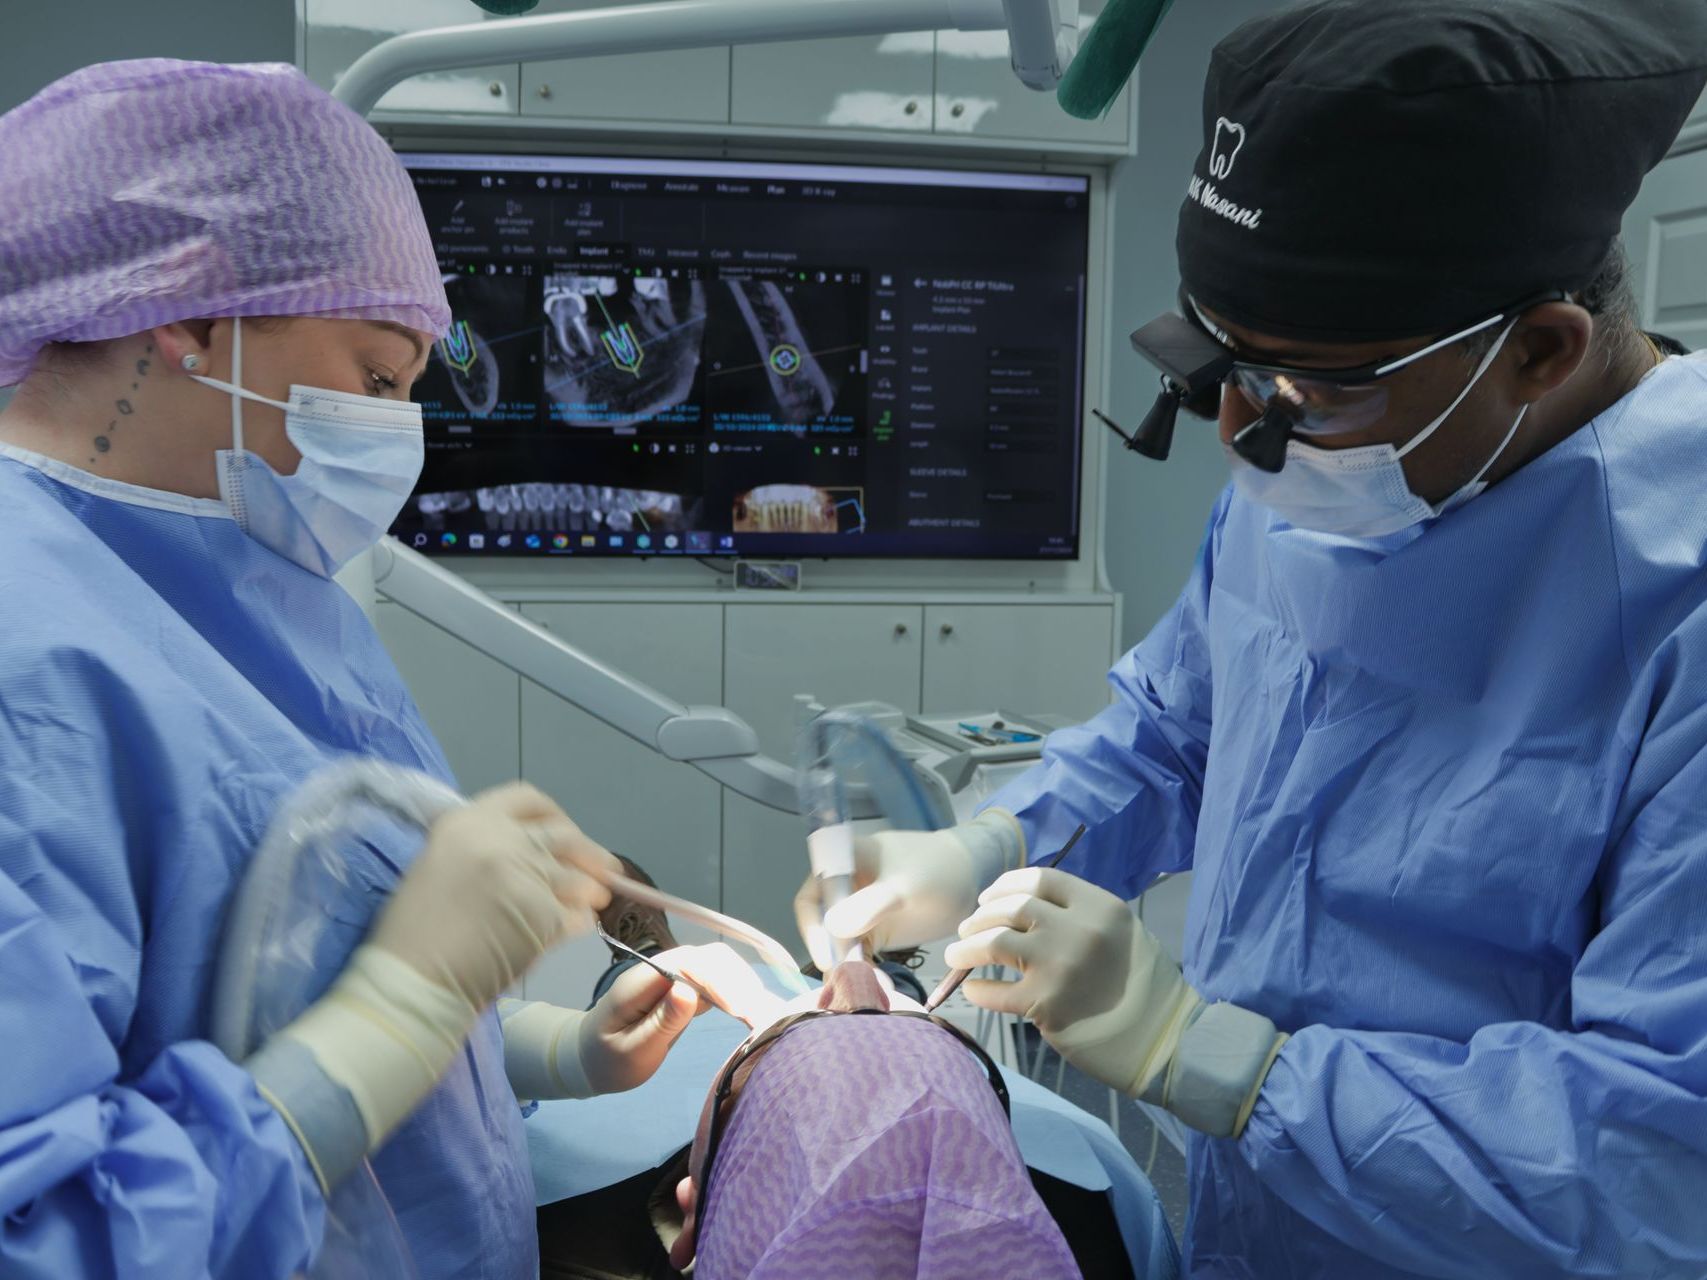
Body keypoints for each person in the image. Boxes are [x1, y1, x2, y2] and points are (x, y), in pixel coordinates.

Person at [798, 2, 1707, 1275]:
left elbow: (1659, 1164)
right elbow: (1176, 733)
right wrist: (980, 846)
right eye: (1213, 364)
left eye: (1305, 389)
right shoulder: (1337, 463)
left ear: (1539, 352)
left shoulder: (1679, 602)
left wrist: (1204, 1052)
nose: (1239, 429)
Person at [0, 60, 703, 1280]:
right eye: (377, 377)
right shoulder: (31, 663)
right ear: (190, 312)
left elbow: (281, 986)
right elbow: (50, 1234)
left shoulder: (265, 586)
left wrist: (543, 1047)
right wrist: (407, 1001)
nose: (392, 431)